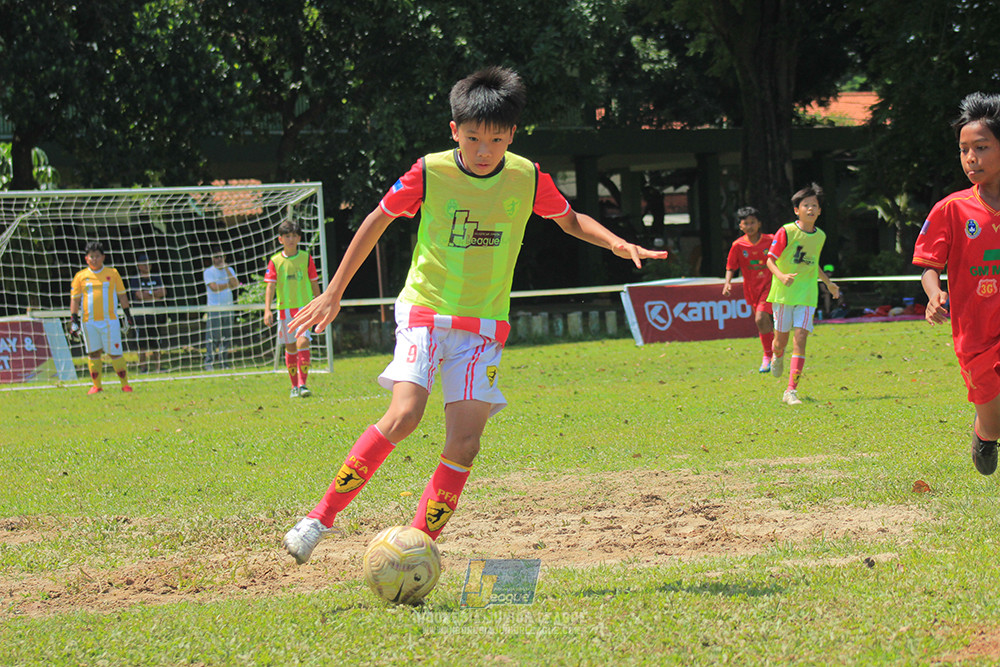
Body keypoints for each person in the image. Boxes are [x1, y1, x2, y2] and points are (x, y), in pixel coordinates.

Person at [280, 66, 669, 564]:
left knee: (464, 445)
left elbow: (570, 219)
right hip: (425, 311)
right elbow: (377, 220)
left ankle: (417, 548)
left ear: (512, 134)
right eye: (473, 139)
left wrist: (614, 241)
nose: (484, 151)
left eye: (496, 140)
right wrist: (334, 292)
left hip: (484, 327)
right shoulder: (430, 171)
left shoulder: (527, 176)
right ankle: (318, 518)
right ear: (454, 131)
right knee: (404, 416)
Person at [913, 91, 1000, 475]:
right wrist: (934, 294)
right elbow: (928, 266)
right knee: (994, 421)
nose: (970, 158)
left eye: (981, 147)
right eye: (964, 150)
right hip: (974, 333)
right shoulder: (951, 208)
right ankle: (984, 433)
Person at [765, 183, 840, 406]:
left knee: (801, 338)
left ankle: (791, 390)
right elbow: (770, 260)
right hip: (784, 294)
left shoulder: (820, 236)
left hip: (807, 294)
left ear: (820, 211)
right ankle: (777, 354)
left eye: (814, 205)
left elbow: (813, 264)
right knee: (780, 341)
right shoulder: (786, 231)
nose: (810, 209)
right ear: (796, 210)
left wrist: (829, 284)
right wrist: (781, 276)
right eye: (806, 205)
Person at [69, 241, 136, 394]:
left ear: (103, 257)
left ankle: (125, 384)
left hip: (110, 321)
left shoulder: (113, 273)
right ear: (86, 258)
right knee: (93, 353)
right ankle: (97, 386)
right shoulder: (80, 276)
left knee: (115, 353)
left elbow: (122, 295)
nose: (94, 259)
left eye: (97, 256)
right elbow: (75, 299)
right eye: (91, 256)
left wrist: (127, 315)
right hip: (89, 322)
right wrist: (74, 320)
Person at [263, 220, 321, 397]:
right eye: (287, 236)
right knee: (290, 347)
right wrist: (267, 309)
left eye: (294, 236)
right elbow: (270, 286)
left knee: (302, 342)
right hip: (284, 309)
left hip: (304, 308)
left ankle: (303, 384)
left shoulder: (306, 258)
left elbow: (314, 282)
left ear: (299, 238)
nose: (291, 239)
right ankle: (294, 386)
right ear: (280, 239)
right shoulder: (275, 261)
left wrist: (319, 303)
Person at [722, 206, 775, 372]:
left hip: (771, 286)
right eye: (746, 223)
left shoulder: (771, 240)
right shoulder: (738, 245)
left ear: (759, 224)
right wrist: (727, 283)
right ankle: (773, 352)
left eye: (753, 222)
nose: (750, 226)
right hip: (752, 289)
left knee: (760, 318)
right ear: (740, 226)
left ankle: (768, 356)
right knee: (764, 322)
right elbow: (731, 266)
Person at [129, 253, 167, 373]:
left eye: (148, 263)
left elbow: (163, 292)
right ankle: (143, 368)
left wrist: (148, 294)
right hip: (141, 316)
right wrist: (154, 294)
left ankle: (158, 367)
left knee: (156, 342)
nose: (147, 265)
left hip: (155, 314)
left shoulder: (156, 277)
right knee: (141, 343)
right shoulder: (135, 279)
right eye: (144, 263)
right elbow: (139, 295)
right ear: (139, 265)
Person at [203, 248, 239, 370]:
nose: (219, 259)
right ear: (212, 258)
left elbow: (236, 284)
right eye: (216, 257)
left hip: (228, 308)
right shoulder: (209, 272)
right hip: (214, 309)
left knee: (226, 337)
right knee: (213, 337)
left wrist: (227, 269)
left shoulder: (230, 270)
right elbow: (214, 287)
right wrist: (228, 285)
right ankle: (209, 363)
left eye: (221, 257)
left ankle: (224, 363)